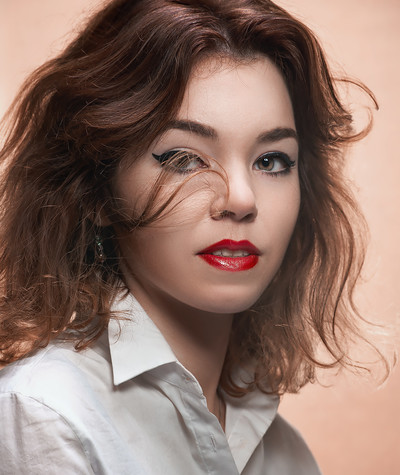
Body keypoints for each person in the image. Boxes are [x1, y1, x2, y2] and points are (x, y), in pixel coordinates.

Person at [0, 0, 374, 473]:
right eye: (184, 159)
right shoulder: (46, 415)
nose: (241, 199)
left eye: (271, 161)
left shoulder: (287, 455)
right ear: (96, 190)